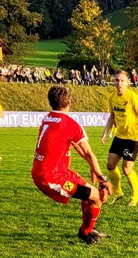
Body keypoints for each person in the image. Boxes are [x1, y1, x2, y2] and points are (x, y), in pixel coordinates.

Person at [32, 86, 114, 244]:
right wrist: (102, 178)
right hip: (51, 177)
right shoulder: (70, 124)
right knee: (97, 198)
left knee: (91, 193)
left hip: (57, 172)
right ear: (69, 102)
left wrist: (92, 168)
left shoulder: (47, 118)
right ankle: (85, 232)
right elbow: (88, 153)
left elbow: (75, 146)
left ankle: (88, 228)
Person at [100, 70, 138, 206]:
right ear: (114, 82)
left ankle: (135, 195)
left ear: (128, 83)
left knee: (127, 169)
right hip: (119, 136)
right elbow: (112, 116)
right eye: (117, 80)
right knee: (110, 165)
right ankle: (118, 192)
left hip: (132, 138)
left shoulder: (133, 98)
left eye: (122, 81)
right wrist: (105, 132)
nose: (119, 83)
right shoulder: (112, 97)